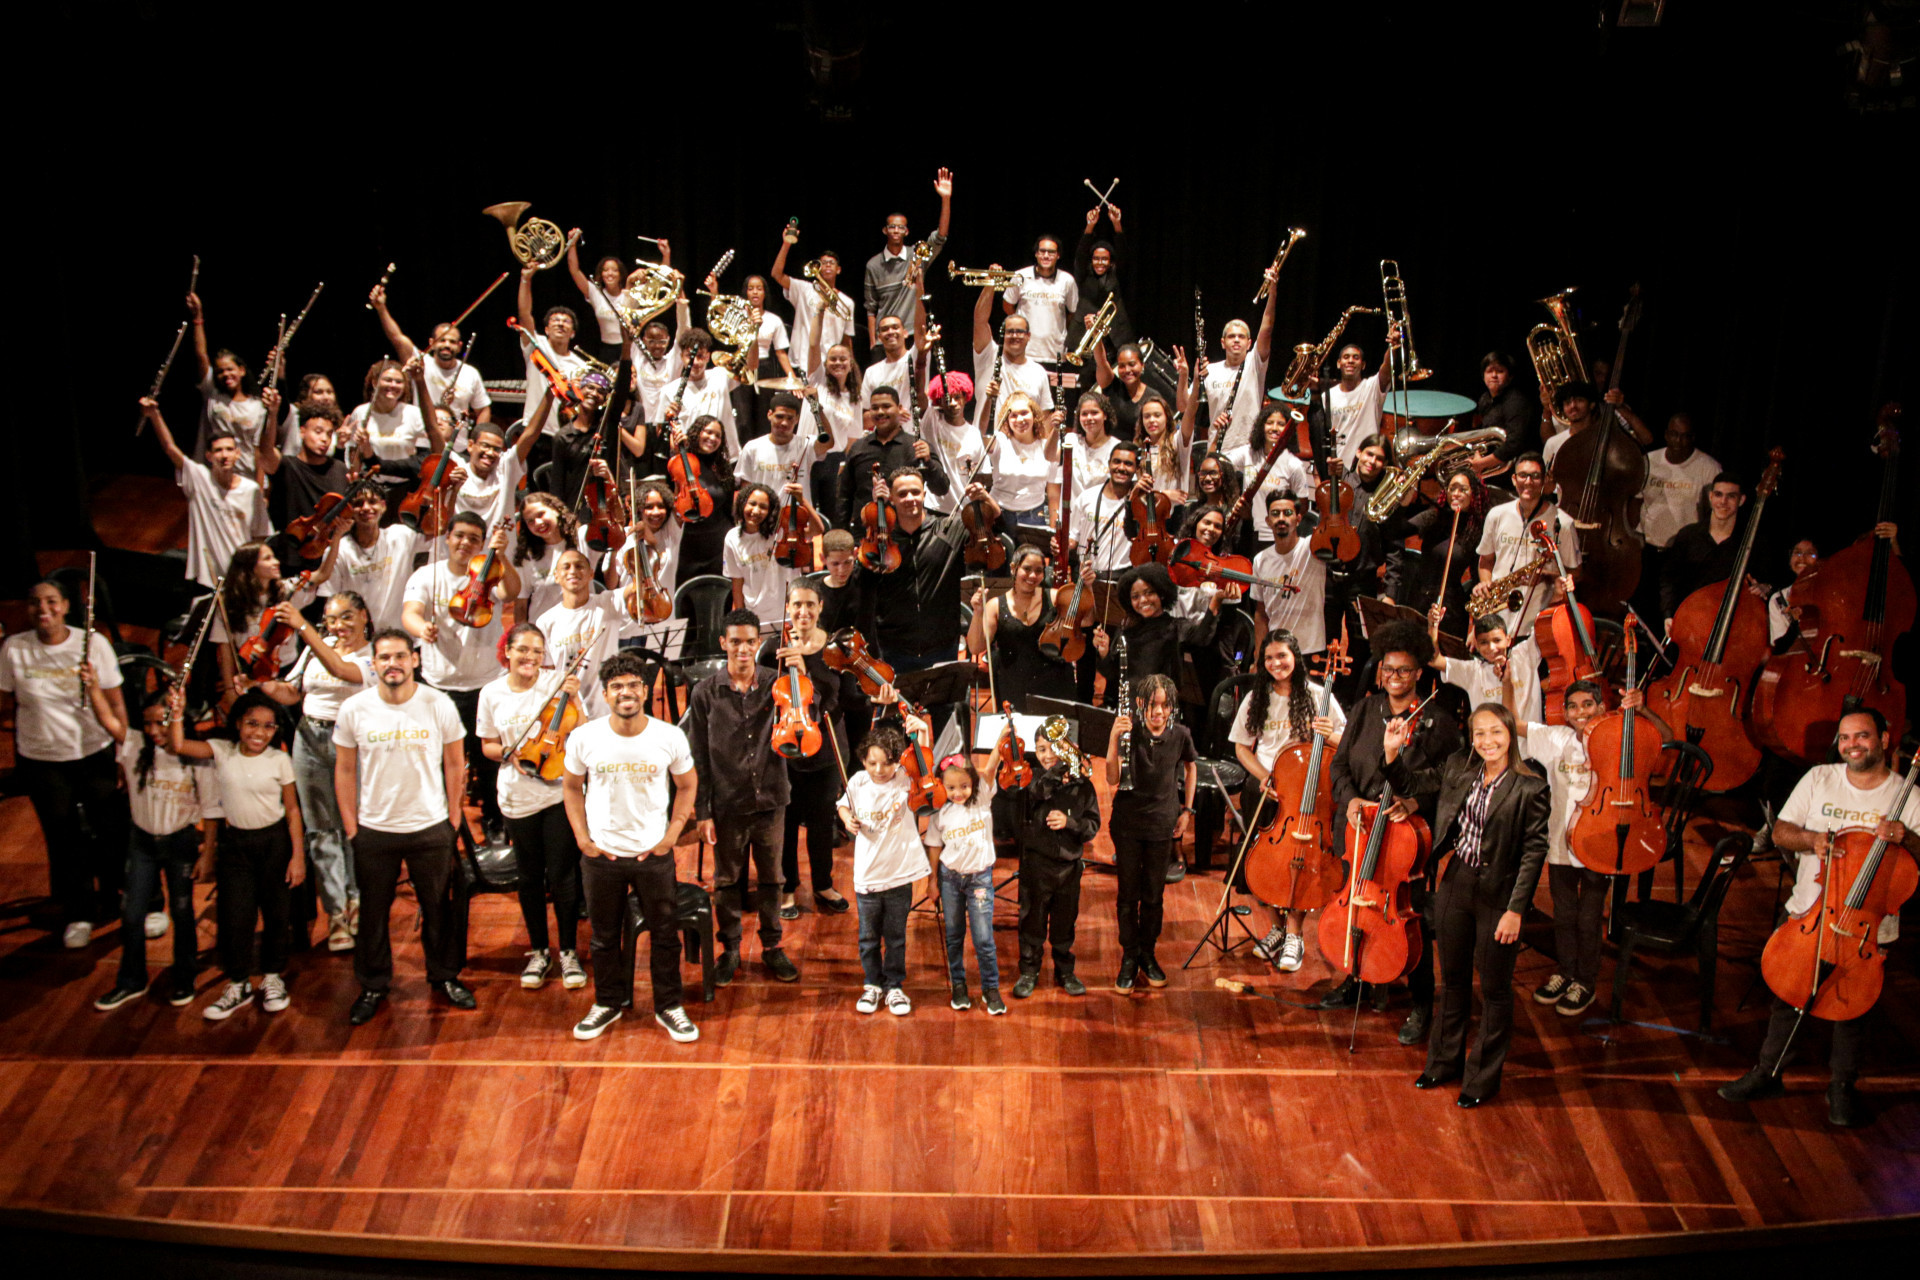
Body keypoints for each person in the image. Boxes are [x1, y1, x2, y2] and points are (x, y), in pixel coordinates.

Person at [1718, 709, 1920, 1128]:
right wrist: (1814, 840)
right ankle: (1767, 1073)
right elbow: (1780, 833)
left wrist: (1908, 838)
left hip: (1867, 925)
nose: (1852, 746)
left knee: (1853, 1010)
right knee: (1788, 996)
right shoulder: (1819, 779)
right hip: (1810, 910)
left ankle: (1842, 1085)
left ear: (1884, 737)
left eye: (1862, 736)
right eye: (1845, 738)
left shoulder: (1908, 796)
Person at [1393, 701, 1551, 1108]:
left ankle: (1482, 1079)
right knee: (1455, 981)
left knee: (1495, 989)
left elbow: (1534, 853)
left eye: (1496, 732)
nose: (1487, 741)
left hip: (1500, 892)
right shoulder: (1461, 767)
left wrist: (1517, 909)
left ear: (1510, 734)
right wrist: (1391, 753)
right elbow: (1410, 783)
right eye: (1480, 733)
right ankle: (1443, 1063)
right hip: (1458, 881)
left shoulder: (1531, 785)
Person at [1324, 620, 1463, 1041]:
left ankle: (1421, 1005)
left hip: (1407, 840)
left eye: (1404, 671)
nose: (1395, 678)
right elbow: (1339, 765)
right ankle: (1357, 979)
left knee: (1410, 916)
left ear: (1420, 672)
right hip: (1360, 828)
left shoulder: (1438, 723)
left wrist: (1416, 803)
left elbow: (1451, 781)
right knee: (1358, 905)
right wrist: (1349, 801)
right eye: (1389, 670)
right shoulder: (1367, 710)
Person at [1506, 673, 1666, 1018]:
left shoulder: (1617, 735)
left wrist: (1644, 712)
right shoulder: (1557, 738)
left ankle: (1586, 981)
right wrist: (1506, 681)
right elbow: (1512, 723)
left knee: (1590, 916)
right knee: (1564, 914)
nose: (1581, 712)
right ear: (1564, 713)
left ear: (1602, 707)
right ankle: (1565, 972)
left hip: (1601, 836)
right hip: (1562, 840)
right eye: (1573, 706)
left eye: (1588, 705)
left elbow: (1663, 742)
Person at [332, 629, 472, 1024]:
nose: (391, 664)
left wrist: (453, 819)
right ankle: (373, 983)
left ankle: (444, 976)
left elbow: (454, 764)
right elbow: (343, 769)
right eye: (383, 658)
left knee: (437, 909)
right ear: (373, 664)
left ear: (414, 660)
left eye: (399, 656)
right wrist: (352, 827)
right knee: (373, 913)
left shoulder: (438, 704)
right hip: (374, 829)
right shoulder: (354, 709)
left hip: (430, 826)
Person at [562, 650, 701, 1043]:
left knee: (664, 935)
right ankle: (606, 1003)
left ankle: (669, 1006)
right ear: (605, 694)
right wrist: (582, 839)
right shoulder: (585, 737)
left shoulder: (668, 736)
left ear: (645, 690)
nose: (626, 692)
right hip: (602, 857)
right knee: (604, 936)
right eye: (617, 686)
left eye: (634, 685)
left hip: (652, 856)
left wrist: (673, 834)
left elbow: (688, 784)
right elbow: (570, 787)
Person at [0, 578, 130, 947]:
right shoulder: (14, 648)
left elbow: (117, 703)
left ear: (67, 606)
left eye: (52, 601)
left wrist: (123, 751)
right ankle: (79, 912)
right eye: (35, 603)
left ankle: (120, 898)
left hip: (93, 752)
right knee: (63, 839)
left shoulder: (94, 644)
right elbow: (8, 705)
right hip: (42, 760)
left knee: (110, 832)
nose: (43, 610)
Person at [687, 608, 812, 986]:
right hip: (727, 803)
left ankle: (773, 947)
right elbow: (698, 757)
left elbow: (811, 710)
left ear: (759, 644)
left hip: (772, 798)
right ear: (723, 643)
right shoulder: (705, 693)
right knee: (727, 880)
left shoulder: (779, 685)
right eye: (736, 641)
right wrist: (703, 811)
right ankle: (729, 951)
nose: (743, 648)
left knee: (773, 879)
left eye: (750, 641)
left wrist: (801, 674)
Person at [250, 591, 376, 951]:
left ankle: (358, 900)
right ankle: (336, 912)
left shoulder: (374, 656)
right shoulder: (316, 648)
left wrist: (304, 627)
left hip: (350, 744)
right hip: (309, 739)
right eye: (332, 619)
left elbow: (341, 670)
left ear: (364, 616)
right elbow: (293, 691)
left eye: (347, 617)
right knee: (321, 830)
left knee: (353, 826)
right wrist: (261, 683)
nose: (339, 626)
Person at [168, 689, 305, 1021]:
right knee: (236, 916)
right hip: (236, 845)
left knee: (276, 914)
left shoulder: (279, 761)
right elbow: (179, 745)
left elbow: (292, 811)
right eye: (252, 724)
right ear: (239, 723)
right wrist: (177, 713)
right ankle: (239, 982)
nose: (259, 733)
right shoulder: (223, 751)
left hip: (274, 844)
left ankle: (273, 977)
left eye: (268, 727)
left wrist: (297, 856)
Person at [477, 624, 587, 993]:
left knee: (563, 875)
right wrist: (508, 755)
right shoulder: (491, 693)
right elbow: (488, 745)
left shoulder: (559, 683)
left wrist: (572, 698)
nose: (530, 658)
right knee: (529, 877)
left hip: (556, 796)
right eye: (522, 650)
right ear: (506, 651)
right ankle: (539, 950)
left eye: (538, 652)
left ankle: (568, 950)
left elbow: (583, 733)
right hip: (516, 798)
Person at [404, 511, 522, 849]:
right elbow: (410, 612)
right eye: (460, 535)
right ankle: (441, 823)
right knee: (439, 759)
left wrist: (499, 555)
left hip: (485, 683)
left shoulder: (492, 572)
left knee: (487, 761)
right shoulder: (428, 575)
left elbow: (512, 590)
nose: (465, 542)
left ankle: (494, 821)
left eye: (474, 538)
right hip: (438, 684)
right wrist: (421, 628)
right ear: (448, 537)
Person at [1229, 631, 1346, 972]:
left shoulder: (1316, 694)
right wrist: (1263, 776)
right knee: (1258, 860)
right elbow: (1241, 747)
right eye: (1269, 658)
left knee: (1301, 859)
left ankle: (1295, 932)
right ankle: (1276, 929)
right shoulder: (1257, 697)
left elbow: (1344, 740)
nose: (1276, 663)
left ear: (1295, 657)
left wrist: (1329, 733)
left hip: (1306, 793)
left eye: (1282, 656)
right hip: (1267, 788)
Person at [91, 693, 215, 1011]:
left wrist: (208, 853)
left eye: (160, 721)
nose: (152, 729)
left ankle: (184, 978)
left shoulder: (194, 755)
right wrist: (92, 687)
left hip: (181, 843)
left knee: (183, 912)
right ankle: (131, 981)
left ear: (177, 719)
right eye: (147, 722)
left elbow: (213, 810)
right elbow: (107, 718)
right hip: (142, 842)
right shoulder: (134, 745)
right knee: (132, 914)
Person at [758, 578, 850, 920]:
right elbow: (766, 699)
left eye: (810, 604)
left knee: (822, 821)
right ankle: (787, 887)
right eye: (796, 604)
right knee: (787, 821)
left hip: (824, 740)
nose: (803, 611)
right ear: (788, 608)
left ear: (820, 607)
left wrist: (806, 670)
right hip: (786, 744)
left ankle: (823, 883)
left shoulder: (833, 649)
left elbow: (835, 698)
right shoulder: (772, 649)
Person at [1105, 673, 1197, 991]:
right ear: (1141, 704)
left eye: (1165, 705)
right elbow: (1110, 778)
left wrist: (1187, 810)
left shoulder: (1180, 735)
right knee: (1128, 895)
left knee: (1154, 896)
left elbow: (1191, 765)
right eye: (1152, 705)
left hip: (1162, 824)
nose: (1158, 712)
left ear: (1171, 707)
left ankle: (1148, 954)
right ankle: (1129, 957)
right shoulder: (1130, 733)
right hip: (1128, 823)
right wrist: (1113, 740)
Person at [838, 720, 932, 1017]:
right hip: (866, 877)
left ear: (896, 761)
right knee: (867, 938)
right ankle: (871, 984)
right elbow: (843, 805)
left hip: (898, 876)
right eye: (872, 763)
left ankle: (894, 986)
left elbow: (924, 763)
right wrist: (846, 819)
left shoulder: (905, 779)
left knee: (895, 937)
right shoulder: (857, 782)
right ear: (863, 759)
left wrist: (922, 733)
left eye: (887, 763)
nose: (879, 770)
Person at [864, 470, 986, 676]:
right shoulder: (881, 538)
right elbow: (862, 578)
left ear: (924, 494)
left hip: (942, 646)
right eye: (902, 494)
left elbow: (991, 533)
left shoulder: (949, 528)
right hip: (894, 648)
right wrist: (878, 511)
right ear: (891, 498)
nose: (910, 498)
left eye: (915, 492)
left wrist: (985, 500)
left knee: (943, 708)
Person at [140, 399, 272, 588]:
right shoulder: (199, 479)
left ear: (237, 454)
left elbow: (261, 536)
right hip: (207, 579)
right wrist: (155, 415)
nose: (224, 455)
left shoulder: (251, 490)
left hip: (241, 578)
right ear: (209, 456)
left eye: (229, 449)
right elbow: (171, 449)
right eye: (218, 450)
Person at [1012, 720, 1100, 1000]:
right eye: (1040, 749)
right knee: (1031, 923)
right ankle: (1029, 971)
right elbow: (1037, 792)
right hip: (1036, 867)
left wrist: (1070, 822)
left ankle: (1065, 971)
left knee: (1064, 924)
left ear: (1065, 748)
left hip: (1068, 869)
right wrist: (1063, 768)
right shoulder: (1031, 779)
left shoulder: (1083, 787)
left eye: (1053, 748)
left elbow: (1092, 825)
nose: (1047, 755)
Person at [925, 743, 1009, 1013]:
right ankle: (958, 985)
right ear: (942, 786)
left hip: (980, 880)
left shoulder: (982, 798)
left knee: (983, 938)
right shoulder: (940, 811)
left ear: (973, 783)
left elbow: (993, 765)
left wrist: (1000, 741)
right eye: (951, 788)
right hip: (950, 879)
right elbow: (935, 846)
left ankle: (990, 988)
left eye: (964, 786)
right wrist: (932, 881)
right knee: (954, 934)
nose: (958, 793)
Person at [1476, 452, 1579, 639]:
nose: (1528, 482)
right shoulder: (1496, 515)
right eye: (1523, 475)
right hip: (1497, 619)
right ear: (1514, 479)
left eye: (1535, 476)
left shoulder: (1562, 523)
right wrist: (1485, 583)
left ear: (1545, 480)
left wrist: (1548, 576)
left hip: (1539, 621)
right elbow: (1486, 561)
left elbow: (1575, 572)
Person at [966, 546, 1078, 711]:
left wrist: (1086, 586)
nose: (1033, 576)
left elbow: (1086, 621)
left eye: (1039, 571)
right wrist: (977, 612)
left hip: (1055, 686)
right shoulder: (995, 606)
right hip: (1014, 687)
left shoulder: (1056, 597)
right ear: (1013, 568)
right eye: (1027, 569)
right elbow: (976, 647)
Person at [368, 284, 493, 428]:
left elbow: (483, 409)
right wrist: (381, 308)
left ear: (459, 346)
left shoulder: (470, 373)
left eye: (452, 342)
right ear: (432, 343)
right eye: (442, 340)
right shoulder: (421, 363)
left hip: (458, 445)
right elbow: (397, 338)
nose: (446, 345)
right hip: (422, 441)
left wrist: (477, 438)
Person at [1395, 467, 1489, 642]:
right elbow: (1396, 531)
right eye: (1452, 488)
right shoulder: (1434, 517)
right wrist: (1404, 502)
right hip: (1418, 601)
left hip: (1450, 609)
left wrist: (1477, 626)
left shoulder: (1477, 530)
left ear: (1474, 494)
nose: (1456, 493)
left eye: (1463, 489)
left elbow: (1477, 580)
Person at [863, 169, 952, 352]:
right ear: (885, 230)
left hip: (913, 333)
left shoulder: (917, 256)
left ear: (907, 232)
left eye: (901, 227)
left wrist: (946, 199)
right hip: (885, 337)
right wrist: (873, 341)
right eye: (892, 227)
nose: (896, 230)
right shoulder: (873, 264)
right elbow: (871, 307)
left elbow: (940, 236)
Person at [838, 390, 954, 530]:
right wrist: (840, 536)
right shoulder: (858, 448)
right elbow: (844, 496)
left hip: (907, 536)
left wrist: (929, 462)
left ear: (899, 409)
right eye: (875, 408)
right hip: (865, 536)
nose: (880, 412)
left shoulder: (917, 446)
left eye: (886, 406)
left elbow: (941, 488)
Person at [186, 289, 271, 479]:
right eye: (221, 371)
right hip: (213, 474)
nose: (226, 374)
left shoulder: (257, 406)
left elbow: (258, 450)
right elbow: (201, 356)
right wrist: (198, 317)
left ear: (241, 370)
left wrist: (260, 487)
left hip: (246, 476)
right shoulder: (213, 396)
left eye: (230, 369)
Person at [1198, 266, 1280, 455]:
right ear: (1222, 343)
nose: (1236, 340)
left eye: (1241, 337)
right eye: (1231, 336)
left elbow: (1267, 326)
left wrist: (1273, 291)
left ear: (1249, 343)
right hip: (1217, 447)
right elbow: (1185, 406)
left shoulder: (1254, 363)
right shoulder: (1210, 370)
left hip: (1249, 449)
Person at [1660, 472, 1756, 626]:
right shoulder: (1688, 535)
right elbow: (1669, 579)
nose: (1723, 501)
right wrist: (1668, 614)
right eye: (1718, 495)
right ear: (1711, 497)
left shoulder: (1750, 543)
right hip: (1688, 620)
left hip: (1730, 624)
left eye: (1731, 496)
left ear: (1741, 500)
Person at [326, 478, 420, 633]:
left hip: (400, 634)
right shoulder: (338, 550)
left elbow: (439, 532)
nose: (366, 508)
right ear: (349, 509)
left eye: (372, 502)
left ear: (383, 506)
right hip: (359, 638)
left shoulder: (401, 535)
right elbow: (332, 599)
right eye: (358, 503)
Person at [1248, 491, 1327, 657]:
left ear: (1298, 519)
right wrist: (1258, 658)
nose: (1281, 518)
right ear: (1268, 521)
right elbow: (1261, 614)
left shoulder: (1312, 547)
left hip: (1310, 650)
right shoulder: (1260, 560)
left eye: (1288, 513)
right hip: (1277, 650)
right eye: (1275, 514)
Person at [1225, 405, 1316, 549]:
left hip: (1278, 535)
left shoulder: (1294, 464)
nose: (1274, 428)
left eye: (1281, 424)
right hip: (1248, 530)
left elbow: (1302, 507)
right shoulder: (1248, 453)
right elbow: (1221, 463)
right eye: (1269, 423)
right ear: (1261, 426)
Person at [1431, 611, 1543, 728]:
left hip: (1530, 745)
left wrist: (1557, 595)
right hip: (1490, 744)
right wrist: (1433, 627)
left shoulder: (1526, 653)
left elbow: (1549, 624)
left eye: (1497, 640)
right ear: (1477, 646)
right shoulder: (1472, 671)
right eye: (1484, 642)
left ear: (1508, 639)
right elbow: (1435, 660)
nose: (1491, 648)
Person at [771, 225, 855, 377]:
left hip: (831, 365)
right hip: (802, 362)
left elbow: (846, 339)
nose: (827, 265)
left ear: (839, 269)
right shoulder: (803, 289)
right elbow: (776, 274)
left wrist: (852, 370)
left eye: (832, 263)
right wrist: (787, 243)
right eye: (823, 262)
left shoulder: (847, 302)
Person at [980, 391, 1060, 538]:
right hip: (998, 513)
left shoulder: (1047, 446)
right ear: (1007, 420)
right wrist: (989, 399)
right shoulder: (1000, 441)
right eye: (1014, 415)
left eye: (1024, 413)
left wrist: (1054, 531)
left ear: (1034, 415)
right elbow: (982, 431)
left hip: (1035, 517)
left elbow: (1054, 494)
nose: (1020, 419)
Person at [726, 483, 811, 621]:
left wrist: (802, 500)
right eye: (752, 504)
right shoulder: (732, 538)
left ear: (771, 511)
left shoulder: (781, 531)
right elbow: (737, 582)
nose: (756, 510)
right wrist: (742, 619)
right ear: (742, 504)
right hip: (753, 613)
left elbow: (817, 529)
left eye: (763, 507)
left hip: (785, 613)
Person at [972, 297, 1055, 423]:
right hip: (986, 440)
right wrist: (991, 281)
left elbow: (1044, 418)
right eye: (1010, 332)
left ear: (1028, 336)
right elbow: (980, 320)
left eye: (1020, 332)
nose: (1015, 336)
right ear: (1002, 335)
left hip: (1022, 442)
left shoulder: (1039, 372)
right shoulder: (989, 355)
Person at [1320, 337, 1396, 473]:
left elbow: (1387, 368)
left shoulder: (1372, 387)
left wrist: (1393, 347)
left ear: (1363, 364)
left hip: (1367, 466)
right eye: (1346, 357)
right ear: (1339, 363)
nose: (1350, 360)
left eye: (1356, 357)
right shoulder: (1327, 396)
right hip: (1340, 469)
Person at [1003, 234, 1077, 365]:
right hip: (1025, 352)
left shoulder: (1067, 280)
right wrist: (1019, 326)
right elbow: (1007, 304)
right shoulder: (1020, 276)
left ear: (1058, 255)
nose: (1046, 255)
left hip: (1055, 353)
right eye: (1042, 251)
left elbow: (1073, 312)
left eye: (1051, 252)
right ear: (1036, 253)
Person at [1069, 201, 1133, 351]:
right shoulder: (1083, 275)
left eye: (1104, 259)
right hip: (1083, 333)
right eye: (1096, 258)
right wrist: (1090, 226)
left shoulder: (1117, 275)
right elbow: (1081, 254)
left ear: (1111, 262)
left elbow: (1123, 253)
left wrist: (1116, 224)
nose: (1100, 262)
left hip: (1115, 335)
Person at [1473, 352, 1537, 467]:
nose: (1494, 375)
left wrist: (1483, 463)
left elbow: (1515, 443)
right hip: (1490, 461)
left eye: (1499, 371)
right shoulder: (1485, 399)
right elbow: (1481, 432)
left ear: (1510, 376)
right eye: (1489, 371)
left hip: (1513, 466)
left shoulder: (1516, 401)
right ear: (1483, 376)